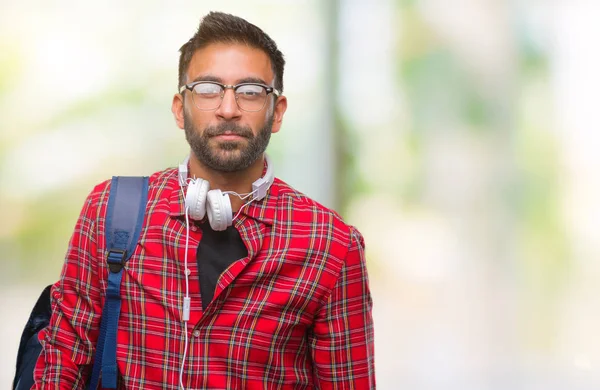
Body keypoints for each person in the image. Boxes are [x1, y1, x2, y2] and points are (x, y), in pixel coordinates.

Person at [32, 11, 375, 389]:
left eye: (250, 91)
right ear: (181, 109)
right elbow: (59, 366)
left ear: (276, 113)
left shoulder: (331, 245)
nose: (229, 109)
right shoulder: (110, 212)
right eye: (209, 89)